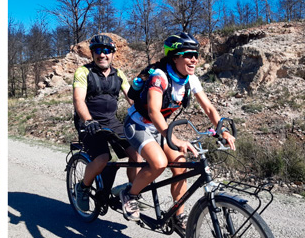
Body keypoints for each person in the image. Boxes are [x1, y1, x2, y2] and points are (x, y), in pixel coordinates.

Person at [121, 32, 236, 223]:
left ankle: (178, 215)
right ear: (174, 57)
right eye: (188, 55)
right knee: (158, 163)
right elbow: (153, 112)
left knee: (180, 165)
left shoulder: (191, 79)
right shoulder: (159, 78)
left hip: (160, 128)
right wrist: (172, 138)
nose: (194, 59)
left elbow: (208, 107)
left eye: (196, 55)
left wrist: (221, 129)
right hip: (138, 125)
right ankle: (130, 194)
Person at [71, 34, 140, 211]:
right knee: (102, 158)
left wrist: (146, 117)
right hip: (89, 122)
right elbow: (79, 100)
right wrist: (88, 120)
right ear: (92, 54)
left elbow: (131, 99)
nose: (103, 55)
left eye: (107, 51)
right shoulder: (83, 72)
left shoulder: (119, 75)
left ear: (112, 54)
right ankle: (83, 187)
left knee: (137, 155)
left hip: (112, 121)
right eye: (98, 51)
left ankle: (132, 193)